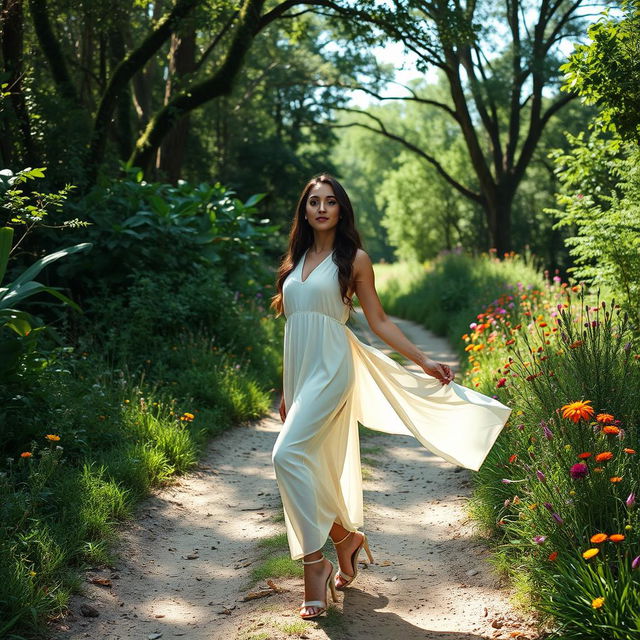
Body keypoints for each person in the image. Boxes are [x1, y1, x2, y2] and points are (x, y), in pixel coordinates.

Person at [270, 173, 512, 620]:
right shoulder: (295, 259)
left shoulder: (354, 259)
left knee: (285, 456)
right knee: (306, 460)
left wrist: (422, 360)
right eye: (313, 202)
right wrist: (287, 390)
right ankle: (345, 539)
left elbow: (379, 321)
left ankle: (314, 567)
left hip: (333, 369)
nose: (321, 208)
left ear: (341, 210)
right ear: (303, 211)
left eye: (330, 202)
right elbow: (292, 328)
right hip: (302, 374)